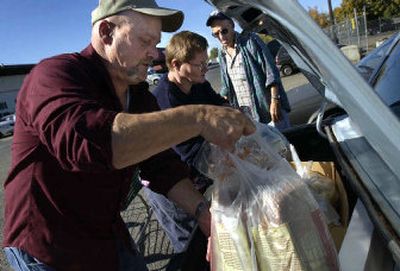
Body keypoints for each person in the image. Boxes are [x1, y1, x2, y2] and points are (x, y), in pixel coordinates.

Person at [2, 1, 255, 271]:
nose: (154, 54)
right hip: (50, 247)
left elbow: (162, 167)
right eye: (145, 41)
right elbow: (90, 144)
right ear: (106, 33)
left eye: (157, 42)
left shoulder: (138, 95)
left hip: (106, 233)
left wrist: (206, 215)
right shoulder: (54, 75)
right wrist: (200, 118)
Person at [146, 31, 227, 255]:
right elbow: (190, 154)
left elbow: (219, 105)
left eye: (206, 62)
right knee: (194, 248)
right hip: (172, 188)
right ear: (176, 64)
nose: (205, 68)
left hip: (197, 176)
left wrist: (235, 114)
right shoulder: (165, 100)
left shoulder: (198, 83)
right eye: (199, 64)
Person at [206, 11, 291, 131]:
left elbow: (271, 72)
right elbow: (226, 86)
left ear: (232, 25)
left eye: (224, 31)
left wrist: (275, 101)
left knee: (283, 146)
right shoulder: (221, 53)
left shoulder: (250, 41)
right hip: (248, 118)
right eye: (216, 34)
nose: (221, 37)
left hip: (268, 110)